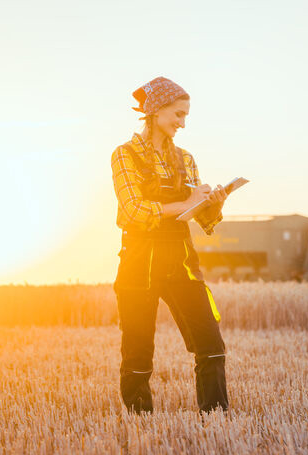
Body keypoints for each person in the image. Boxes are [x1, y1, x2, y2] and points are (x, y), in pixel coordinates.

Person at [110, 76, 229, 414]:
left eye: (185, 116)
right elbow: (135, 211)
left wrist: (213, 204)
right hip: (139, 261)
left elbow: (201, 220)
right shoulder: (124, 155)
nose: (182, 123)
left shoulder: (186, 158)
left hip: (182, 261)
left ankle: (216, 419)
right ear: (156, 110)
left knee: (211, 344)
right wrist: (188, 202)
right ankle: (140, 423)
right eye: (178, 115)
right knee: (137, 351)